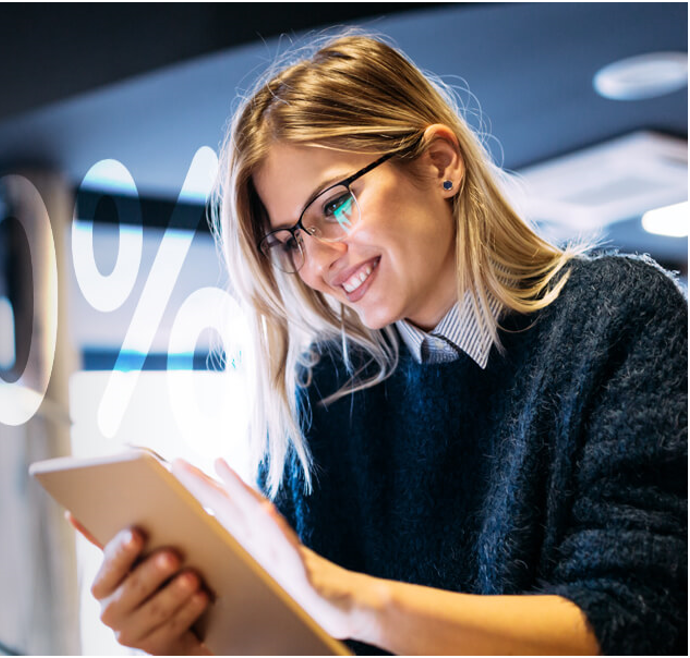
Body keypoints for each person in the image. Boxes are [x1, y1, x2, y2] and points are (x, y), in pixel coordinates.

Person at [69, 33, 688, 655]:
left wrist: (355, 602)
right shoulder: (325, 387)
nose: (317, 264)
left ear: (441, 165)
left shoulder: (616, 318)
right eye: (289, 240)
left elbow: (641, 620)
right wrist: (194, 638)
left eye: (334, 206)